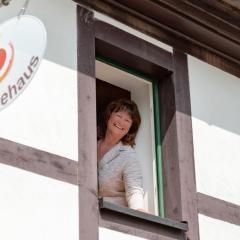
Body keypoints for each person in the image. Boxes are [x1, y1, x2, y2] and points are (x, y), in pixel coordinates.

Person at [97, 98, 145, 211]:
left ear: (130, 128)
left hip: (112, 215)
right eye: (118, 116)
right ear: (109, 116)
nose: (121, 122)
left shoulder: (129, 155)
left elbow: (134, 190)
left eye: (127, 120)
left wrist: (139, 210)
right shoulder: (92, 144)